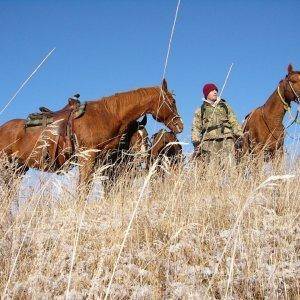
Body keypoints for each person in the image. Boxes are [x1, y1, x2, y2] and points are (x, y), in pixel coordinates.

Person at [191, 83, 243, 163]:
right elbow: (196, 126)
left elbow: (234, 121)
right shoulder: (200, 110)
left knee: (230, 165)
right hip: (209, 142)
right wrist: (196, 142)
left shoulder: (225, 106)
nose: (215, 92)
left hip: (227, 139)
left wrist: (239, 136)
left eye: (216, 90)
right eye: (212, 90)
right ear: (206, 93)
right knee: (212, 168)